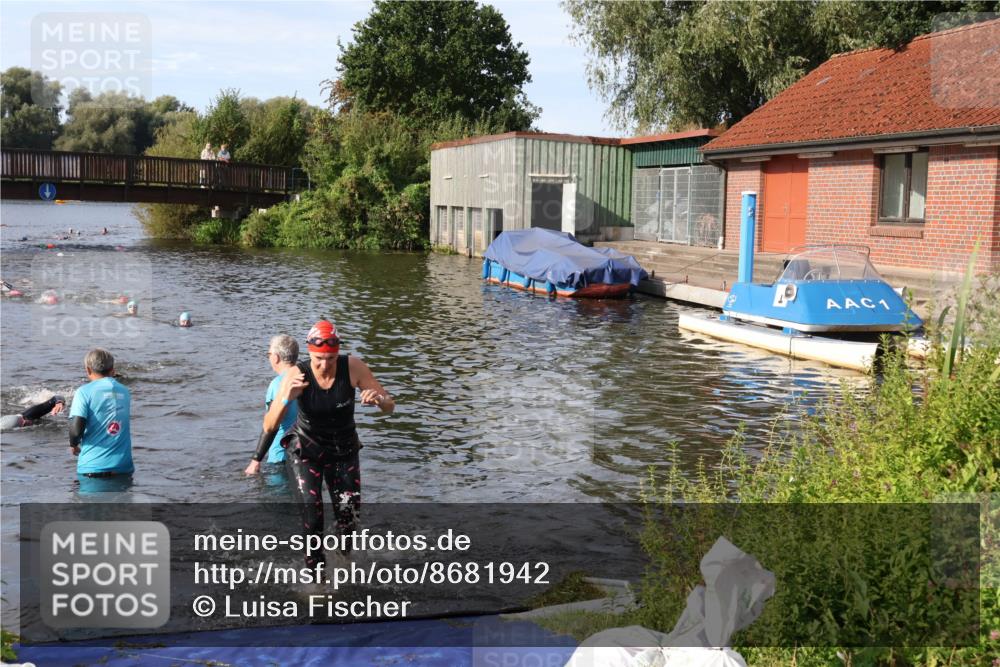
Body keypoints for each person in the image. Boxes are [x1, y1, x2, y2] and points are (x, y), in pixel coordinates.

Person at [266, 320, 394, 566]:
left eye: (331, 359)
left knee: (348, 520)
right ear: (309, 353)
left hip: (343, 450)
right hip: (306, 450)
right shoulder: (296, 374)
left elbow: (390, 407)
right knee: (313, 520)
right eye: (318, 360)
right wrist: (286, 399)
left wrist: (379, 400)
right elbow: (270, 425)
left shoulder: (353, 367)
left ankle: (343, 563)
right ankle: (317, 580)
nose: (325, 365)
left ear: (338, 353)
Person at [69, 349, 133, 483]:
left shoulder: (83, 392)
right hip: (124, 468)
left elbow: (75, 431)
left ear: (88, 369)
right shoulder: (125, 391)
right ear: (112, 369)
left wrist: (74, 445)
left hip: (93, 469)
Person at [245, 334, 299, 475]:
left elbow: (272, 423)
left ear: (276, 357)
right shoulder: (305, 378)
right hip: (306, 454)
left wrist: (256, 460)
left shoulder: (277, 384)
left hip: (281, 457)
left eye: (269, 353)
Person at [0, 395, 65, 430]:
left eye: (24, 422)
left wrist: (59, 402)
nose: (26, 422)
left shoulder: (30, 415)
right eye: (24, 424)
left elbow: (57, 397)